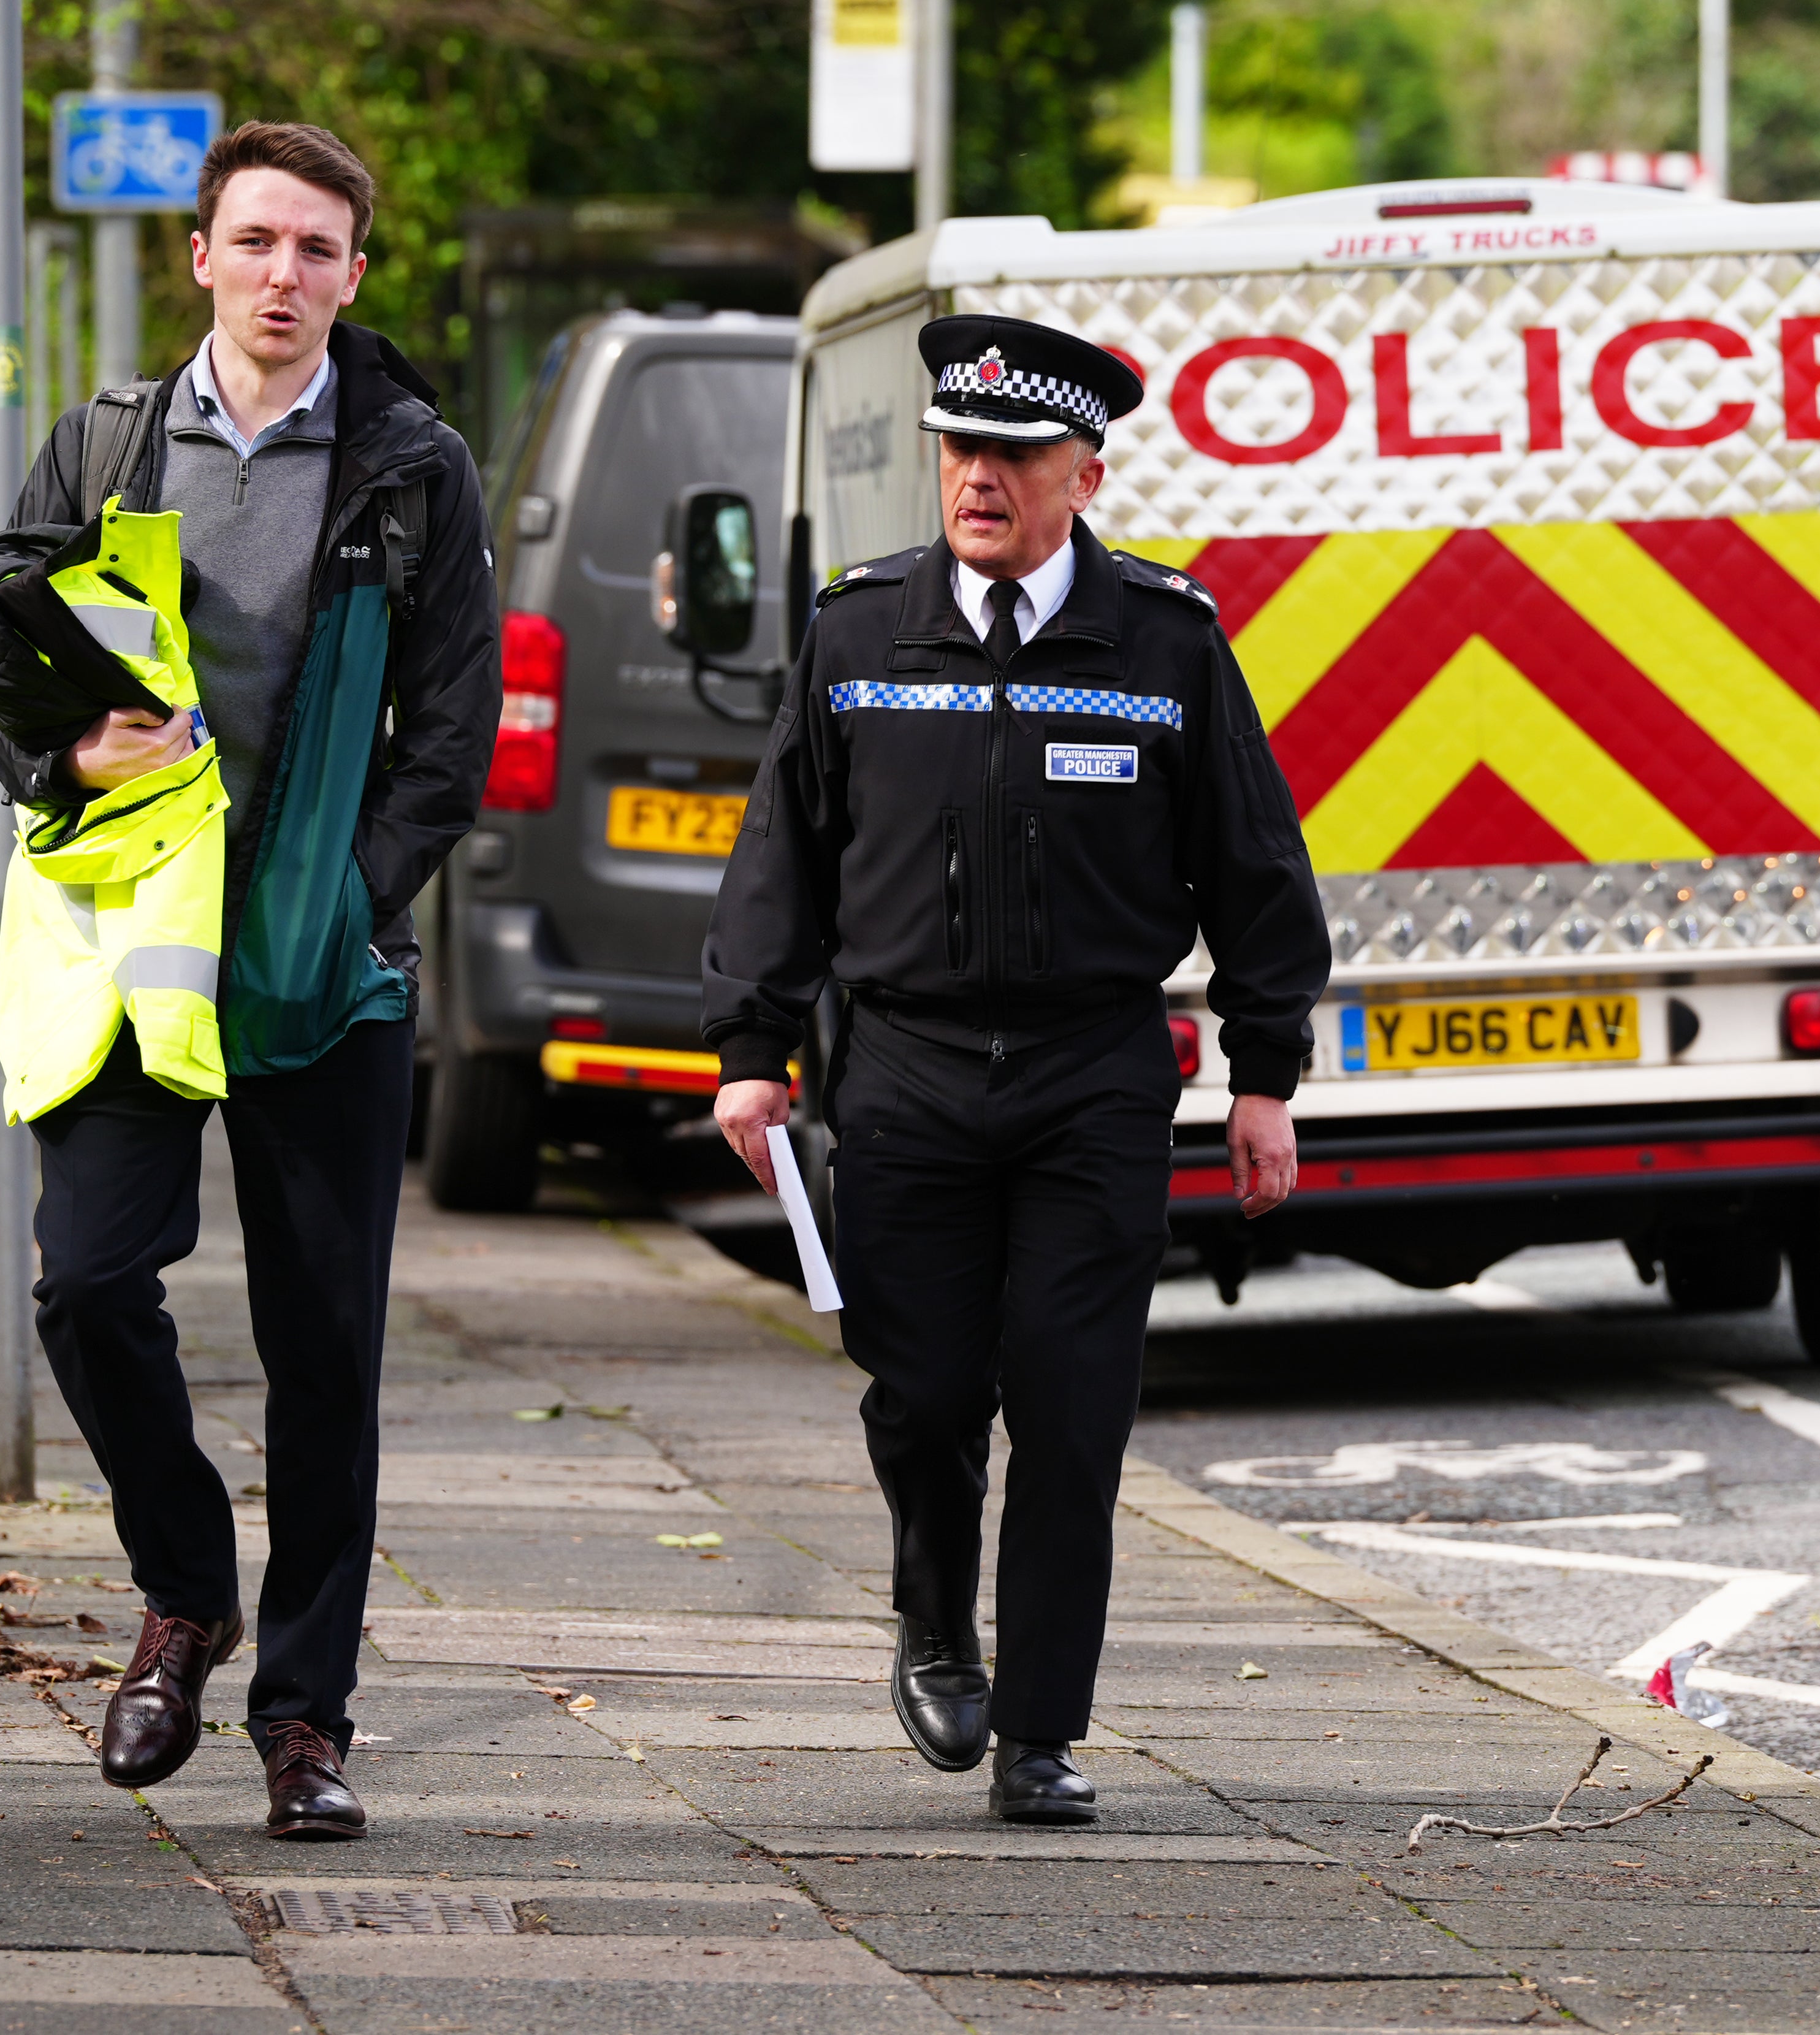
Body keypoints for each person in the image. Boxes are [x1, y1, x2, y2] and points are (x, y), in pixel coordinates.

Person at [703, 315, 1331, 1825]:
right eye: (959, 450)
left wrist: (1264, 1070)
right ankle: (933, 1618)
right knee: (919, 1396)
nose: (977, 478)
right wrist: (751, 1048)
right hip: (906, 1071)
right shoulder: (860, 631)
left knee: (1067, 1407)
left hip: (1091, 1073)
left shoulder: (1164, 641)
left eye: (1013, 456)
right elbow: (782, 850)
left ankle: (1042, 1728)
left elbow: (1251, 863)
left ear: (1082, 474)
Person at [0, 121, 500, 1839]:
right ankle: (186, 1592)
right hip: (135, 948)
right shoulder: (112, 440)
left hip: (318, 973)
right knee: (86, 1285)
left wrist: (349, 904)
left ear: (354, 274)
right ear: (202, 254)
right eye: (255, 241)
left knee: (323, 1343)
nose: (283, 276)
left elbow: (454, 733)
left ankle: (306, 1719)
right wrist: (66, 768)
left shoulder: (415, 466)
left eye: (316, 250)